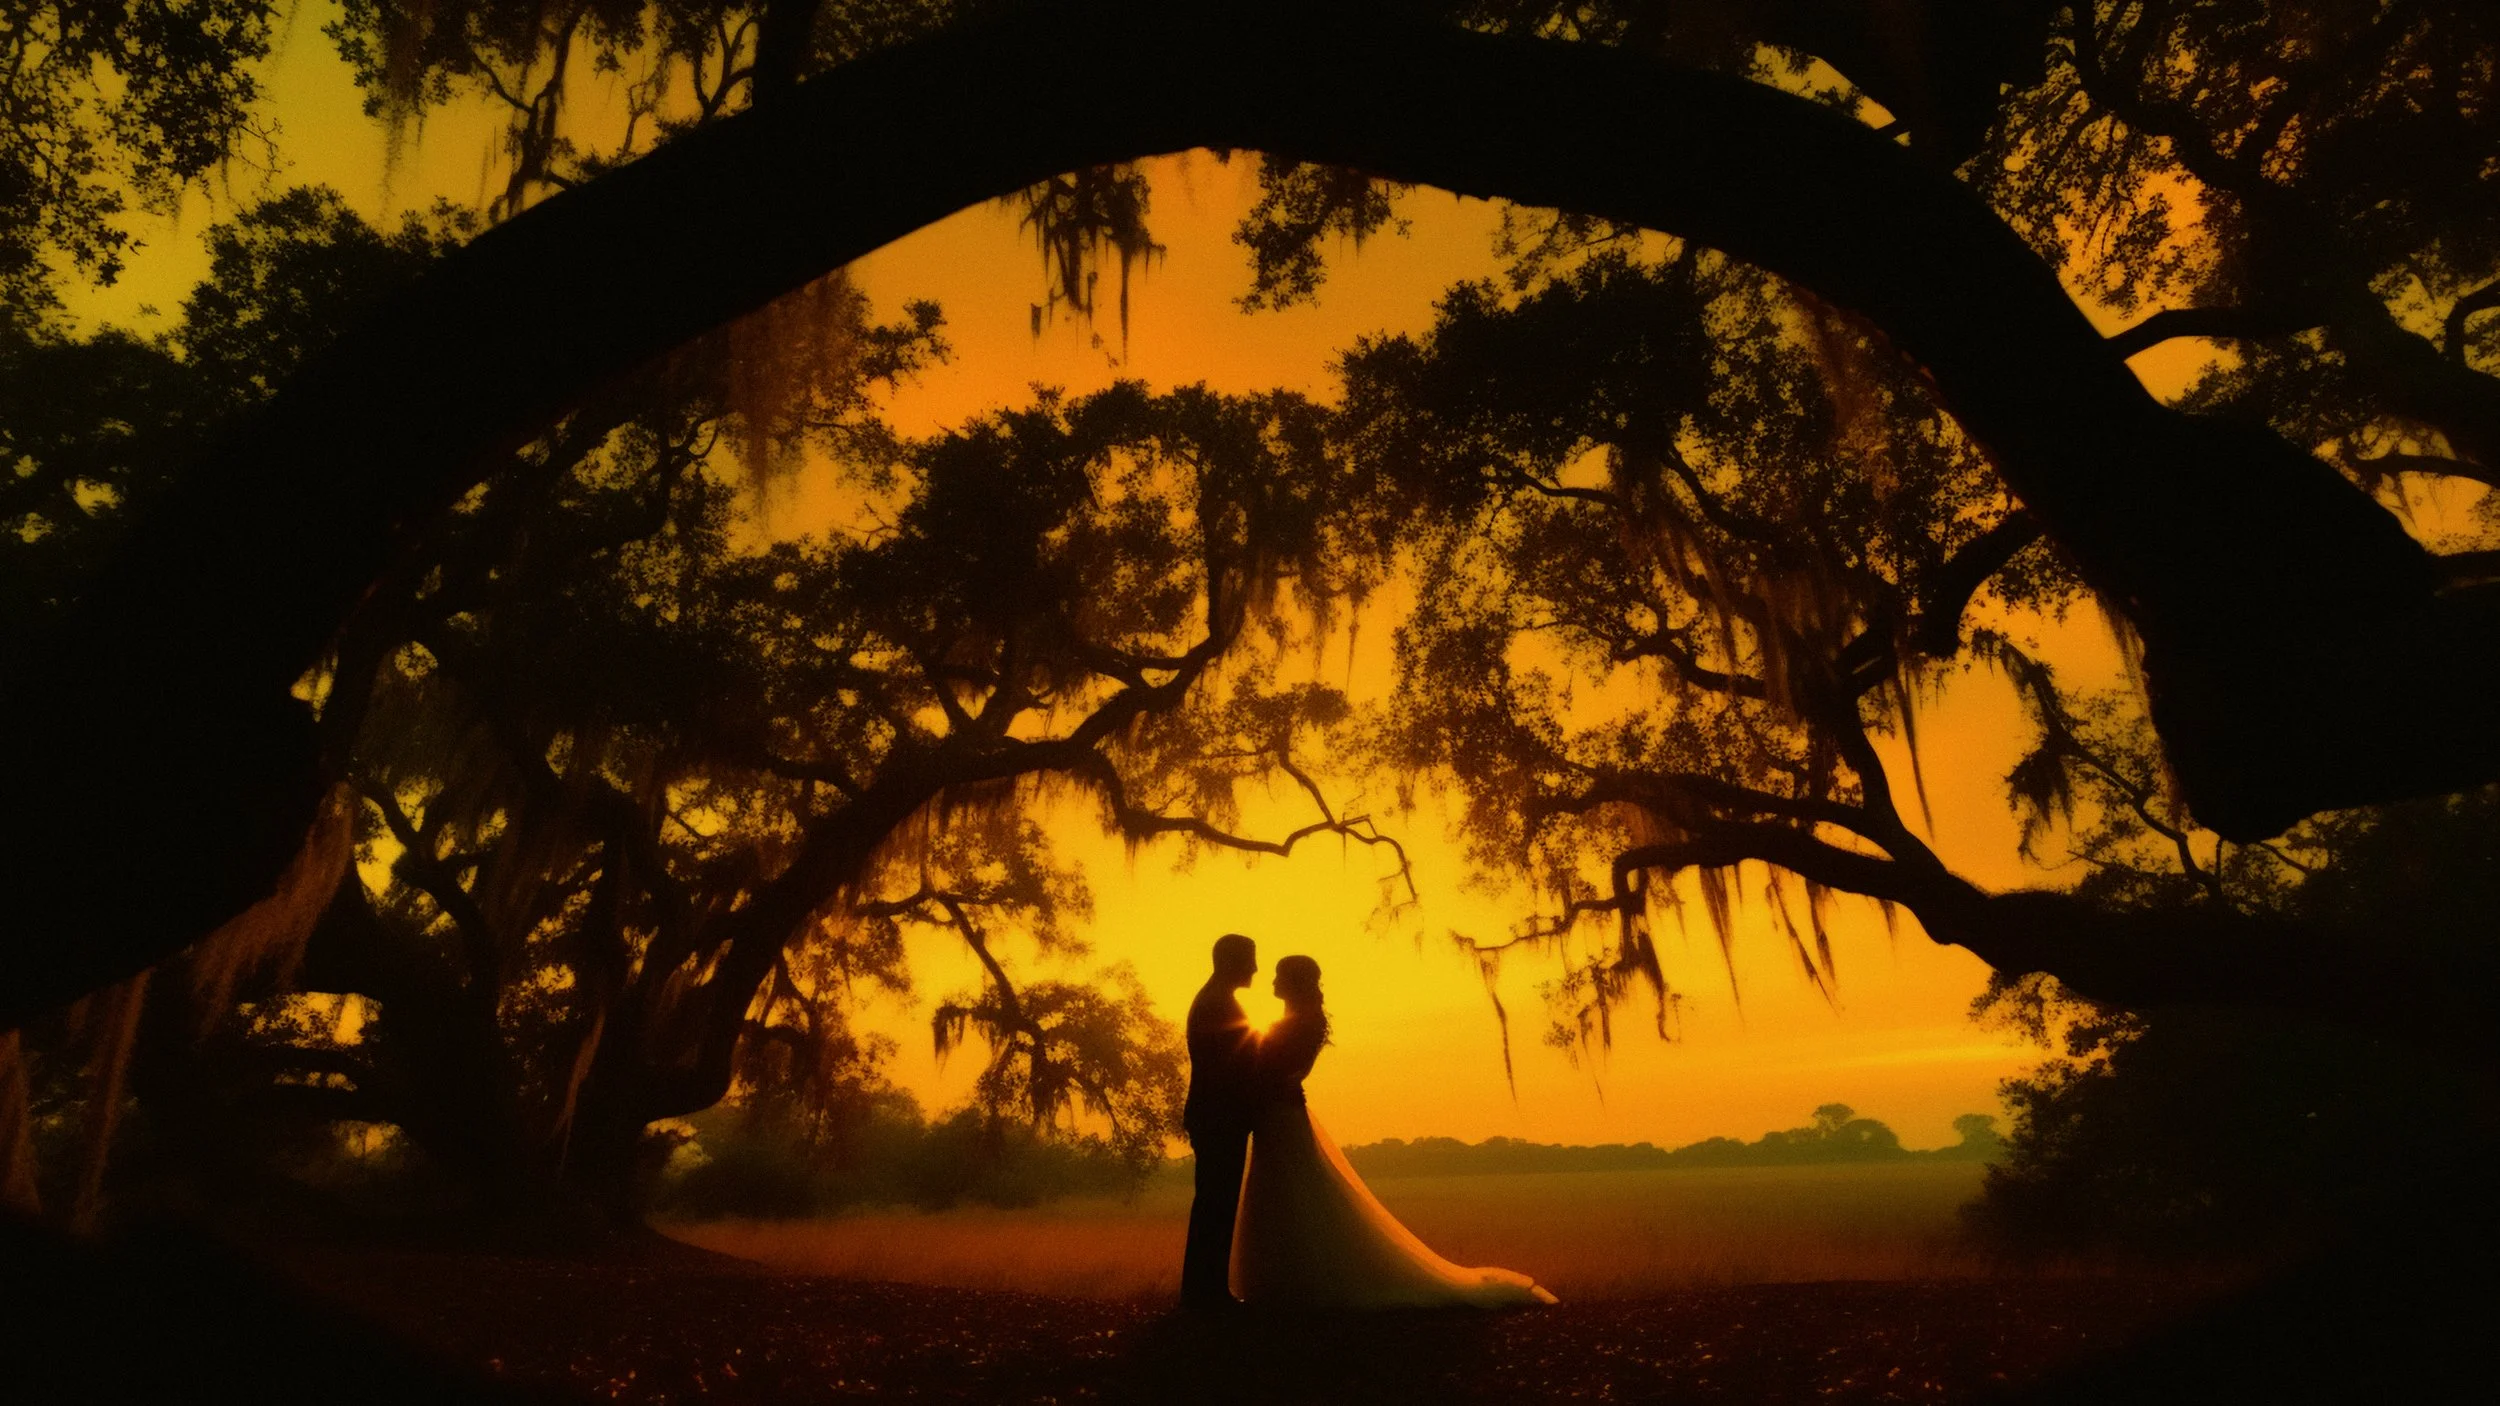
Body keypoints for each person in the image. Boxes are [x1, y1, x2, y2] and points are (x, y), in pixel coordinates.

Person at [1232, 955, 1557, 1309]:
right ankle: (1288, 1281)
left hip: (1283, 1115)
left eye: (1279, 976)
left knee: (1289, 1195)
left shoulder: (1302, 1022)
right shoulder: (1297, 1020)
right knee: (1281, 1196)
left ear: (1295, 981)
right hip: (1278, 1114)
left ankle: (1300, 1283)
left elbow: (1277, 1069)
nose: (1272, 982)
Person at [1180, 932, 1261, 1312]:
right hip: (1219, 1116)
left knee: (1215, 1202)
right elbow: (1234, 1064)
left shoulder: (1216, 1001)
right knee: (1215, 1203)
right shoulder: (1218, 1005)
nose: (1256, 969)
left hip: (1216, 1114)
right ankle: (1205, 1294)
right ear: (1232, 961)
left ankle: (1206, 1290)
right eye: (1250, 960)